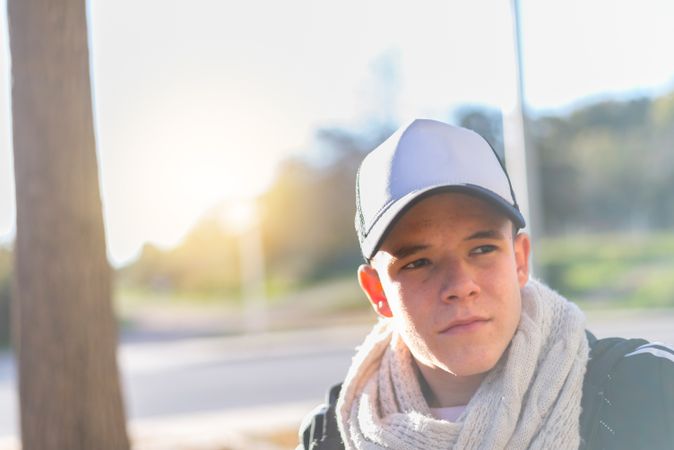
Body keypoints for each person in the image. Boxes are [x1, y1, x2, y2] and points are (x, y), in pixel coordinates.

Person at [297, 119, 674, 450]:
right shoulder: (329, 435)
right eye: (419, 262)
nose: (460, 285)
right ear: (378, 292)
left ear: (520, 259)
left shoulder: (646, 388)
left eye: (481, 248)